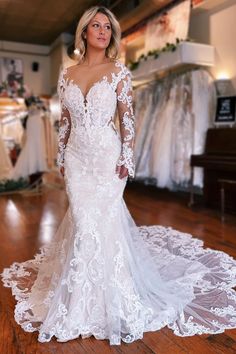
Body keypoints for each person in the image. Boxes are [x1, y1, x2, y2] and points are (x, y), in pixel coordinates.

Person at [1, 5, 236, 346]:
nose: (102, 31)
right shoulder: (67, 75)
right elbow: (65, 121)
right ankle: (79, 299)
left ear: (111, 34)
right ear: (84, 32)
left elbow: (127, 118)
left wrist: (127, 155)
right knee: (83, 220)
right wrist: (63, 154)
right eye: (95, 26)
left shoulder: (119, 73)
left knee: (102, 222)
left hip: (108, 158)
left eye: (107, 27)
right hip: (78, 159)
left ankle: (108, 298)